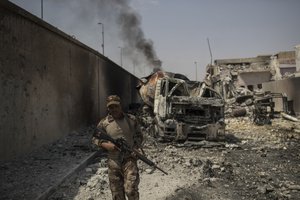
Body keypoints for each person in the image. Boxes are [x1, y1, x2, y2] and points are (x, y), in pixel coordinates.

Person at [92, 95, 143, 200]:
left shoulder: (131, 119)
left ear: (120, 106)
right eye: (111, 107)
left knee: (131, 190)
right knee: (117, 194)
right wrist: (105, 145)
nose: (114, 109)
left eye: (116, 106)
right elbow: (94, 138)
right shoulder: (104, 123)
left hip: (129, 158)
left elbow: (139, 135)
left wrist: (136, 147)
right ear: (108, 108)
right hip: (113, 161)